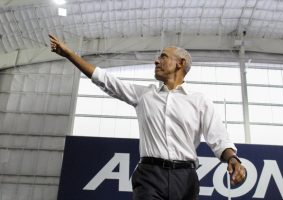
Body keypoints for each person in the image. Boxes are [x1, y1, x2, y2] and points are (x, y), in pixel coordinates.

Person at [49, 34, 246, 200]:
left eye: (163, 56)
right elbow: (105, 80)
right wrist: (69, 55)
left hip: (185, 179)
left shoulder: (199, 100)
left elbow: (218, 137)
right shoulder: (144, 95)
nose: (156, 61)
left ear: (181, 63)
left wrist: (233, 159)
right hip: (149, 176)